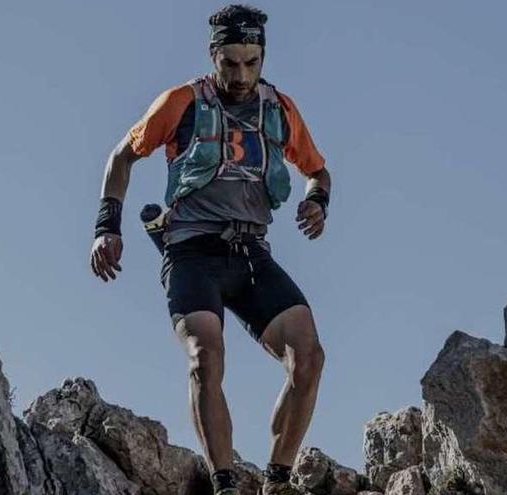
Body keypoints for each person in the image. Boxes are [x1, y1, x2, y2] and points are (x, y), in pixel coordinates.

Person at [89, 5, 331, 494]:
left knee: (309, 357)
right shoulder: (181, 102)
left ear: (262, 56)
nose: (241, 75)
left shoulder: (279, 109)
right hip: (191, 254)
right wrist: (106, 226)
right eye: (231, 63)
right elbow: (122, 156)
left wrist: (318, 202)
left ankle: (277, 481)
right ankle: (224, 483)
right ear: (213, 54)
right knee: (206, 356)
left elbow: (318, 172)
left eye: (252, 62)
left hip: (252, 255)